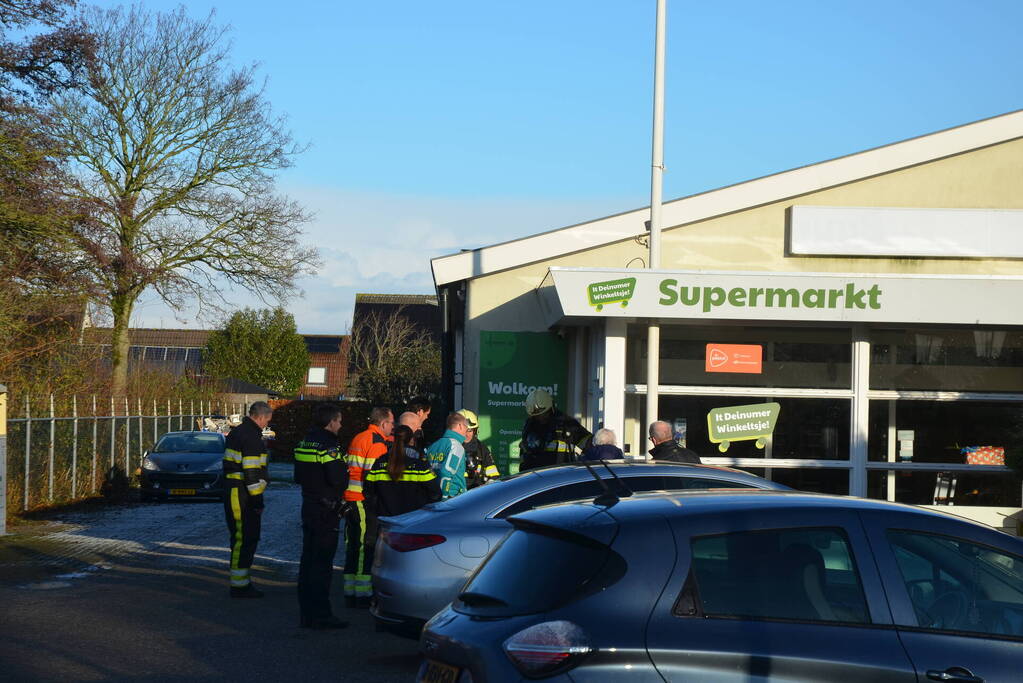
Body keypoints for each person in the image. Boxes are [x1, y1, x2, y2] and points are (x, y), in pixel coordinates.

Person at [294, 404, 349, 629]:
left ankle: (306, 613)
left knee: (307, 561)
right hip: (326, 510)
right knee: (322, 564)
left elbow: (298, 476)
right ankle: (322, 615)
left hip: (309, 505)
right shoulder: (329, 445)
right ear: (331, 422)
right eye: (339, 421)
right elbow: (338, 478)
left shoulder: (304, 442)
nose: (341, 425)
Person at [343, 406, 393, 607]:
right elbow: (373, 477)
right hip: (362, 499)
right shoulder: (376, 443)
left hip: (351, 496)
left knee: (353, 544)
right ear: (383, 423)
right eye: (391, 423)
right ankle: (362, 595)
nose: (393, 426)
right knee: (365, 544)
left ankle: (350, 591)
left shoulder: (360, 437)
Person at [222, 401, 272, 598]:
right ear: (261, 417)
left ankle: (241, 582)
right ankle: (239, 586)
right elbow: (251, 473)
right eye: (267, 420)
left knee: (243, 537)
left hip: (236, 489)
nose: (266, 424)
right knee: (244, 537)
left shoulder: (239, 432)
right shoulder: (251, 437)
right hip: (241, 492)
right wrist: (258, 501)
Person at [364, 424, 441, 531]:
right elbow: (436, 493)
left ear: (394, 438)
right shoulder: (419, 465)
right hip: (412, 523)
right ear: (411, 440)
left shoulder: (379, 463)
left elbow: (368, 492)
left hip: (386, 523)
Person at [519, 388, 592, 471]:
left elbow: (589, 445)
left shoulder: (567, 424)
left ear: (551, 408)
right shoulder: (529, 426)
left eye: (543, 414)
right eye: (536, 415)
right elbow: (524, 456)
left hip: (560, 476)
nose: (540, 417)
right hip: (533, 476)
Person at [425, 412, 470, 499]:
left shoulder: (433, 446)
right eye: (466, 427)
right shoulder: (456, 446)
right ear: (460, 426)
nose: (466, 432)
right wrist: (444, 497)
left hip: (432, 495)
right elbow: (446, 472)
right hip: (452, 497)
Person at [457, 409, 500, 488]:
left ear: (475, 431)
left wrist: (490, 483)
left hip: (476, 492)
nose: (467, 434)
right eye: (464, 430)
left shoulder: (481, 448)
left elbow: (493, 475)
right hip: (455, 492)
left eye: (470, 430)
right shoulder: (448, 447)